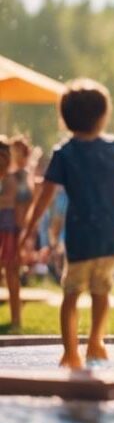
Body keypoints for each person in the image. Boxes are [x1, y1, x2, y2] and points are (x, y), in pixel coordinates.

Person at [20, 79, 114, 369]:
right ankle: (95, 341)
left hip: (80, 240)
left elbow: (44, 197)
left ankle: (70, 352)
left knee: (71, 294)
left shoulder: (64, 153)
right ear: (104, 116)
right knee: (102, 292)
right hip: (110, 238)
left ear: (65, 119)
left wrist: (29, 229)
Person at [0, 139, 20, 331]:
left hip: (8, 229)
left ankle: (16, 320)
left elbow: (9, 200)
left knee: (11, 272)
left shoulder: (11, 179)